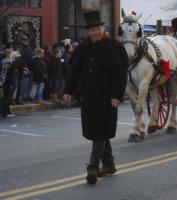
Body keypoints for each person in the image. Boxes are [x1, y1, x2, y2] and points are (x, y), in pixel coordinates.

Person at [63, 10, 128, 185]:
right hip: (89, 97)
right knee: (98, 130)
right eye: (92, 30)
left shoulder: (114, 47)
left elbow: (120, 74)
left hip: (107, 97)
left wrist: (117, 95)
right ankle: (109, 163)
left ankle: (93, 166)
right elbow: (74, 71)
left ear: (103, 28)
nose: (95, 32)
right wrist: (68, 90)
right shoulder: (83, 47)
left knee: (100, 130)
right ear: (88, 32)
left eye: (98, 29)